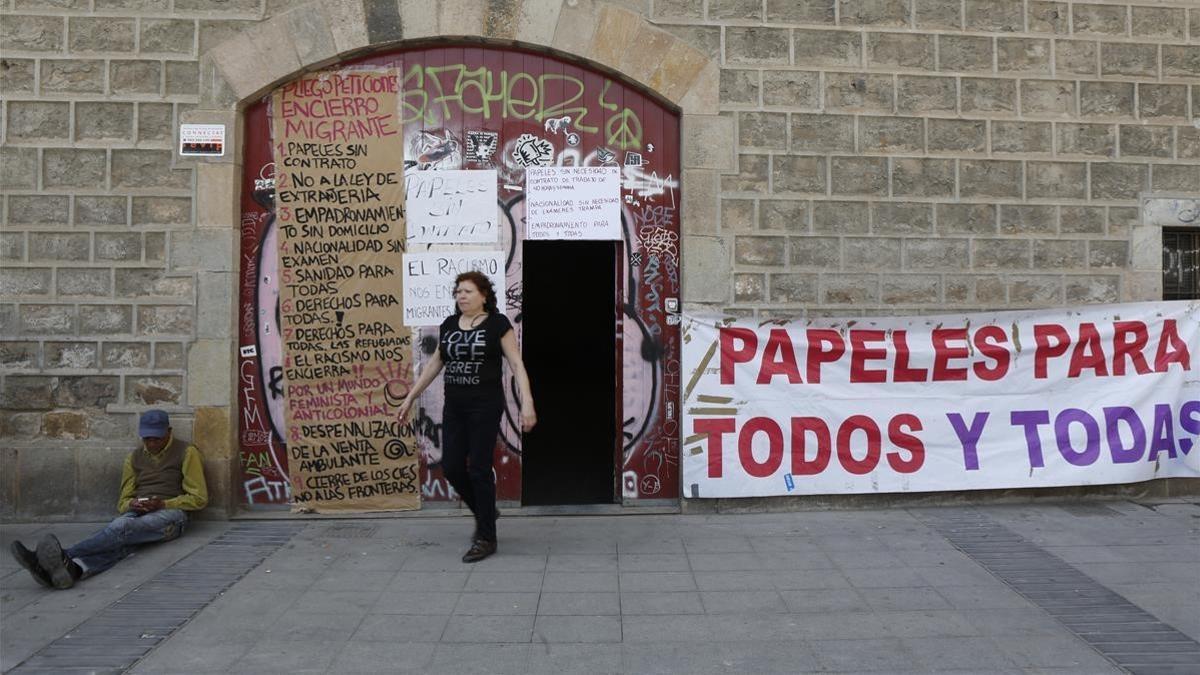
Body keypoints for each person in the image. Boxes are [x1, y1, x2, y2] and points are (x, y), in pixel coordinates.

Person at [397, 271, 536, 563]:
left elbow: (516, 363)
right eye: (458, 291)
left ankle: (487, 537)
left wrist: (527, 404)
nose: (461, 295)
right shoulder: (449, 324)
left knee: (479, 469)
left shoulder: (498, 324)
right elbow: (435, 364)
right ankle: (486, 510)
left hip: (485, 407)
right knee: (451, 468)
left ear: (484, 295)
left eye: (468, 291)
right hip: (455, 407)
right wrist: (410, 397)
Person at [9, 409, 208, 589]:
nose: (152, 443)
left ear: (169, 432)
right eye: (147, 439)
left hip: (173, 516)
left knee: (120, 528)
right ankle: (74, 570)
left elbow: (199, 498)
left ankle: (62, 555)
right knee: (123, 542)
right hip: (139, 511)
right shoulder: (134, 458)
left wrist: (164, 503)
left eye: (157, 438)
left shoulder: (186, 452)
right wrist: (133, 503)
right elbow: (122, 502)